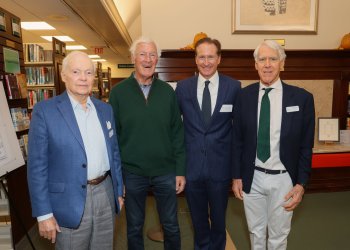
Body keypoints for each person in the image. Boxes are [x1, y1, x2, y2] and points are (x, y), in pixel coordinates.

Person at [27, 51, 124, 249]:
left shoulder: (105, 110)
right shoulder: (45, 111)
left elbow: (114, 153)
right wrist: (43, 213)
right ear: (63, 75)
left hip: (105, 193)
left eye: (88, 73)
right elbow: (37, 167)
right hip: (67, 200)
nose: (83, 78)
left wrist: (119, 191)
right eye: (76, 72)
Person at [232, 40, 315, 250]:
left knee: (279, 235)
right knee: (256, 232)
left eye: (273, 59)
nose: (267, 64)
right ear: (256, 65)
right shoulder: (243, 97)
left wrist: (301, 184)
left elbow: (306, 146)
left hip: (284, 179)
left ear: (282, 64)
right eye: (262, 59)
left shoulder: (302, 98)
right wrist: (236, 176)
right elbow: (237, 140)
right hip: (253, 178)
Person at [109, 36, 186, 250]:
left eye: (152, 55)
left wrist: (180, 171)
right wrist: (118, 177)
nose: (148, 59)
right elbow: (112, 139)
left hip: (166, 171)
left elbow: (177, 133)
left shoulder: (167, 92)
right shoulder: (118, 93)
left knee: (171, 225)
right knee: (134, 226)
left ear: (157, 59)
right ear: (133, 58)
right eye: (142, 54)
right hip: (132, 172)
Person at [175, 37, 241, 250]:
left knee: (219, 224)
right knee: (198, 223)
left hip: (220, 169)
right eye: (201, 57)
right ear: (195, 59)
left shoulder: (233, 87)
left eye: (210, 57)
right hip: (192, 169)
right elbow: (175, 129)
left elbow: (239, 131)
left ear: (219, 59)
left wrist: (236, 172)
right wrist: (178, 169)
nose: (206, 62)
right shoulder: (183, 88)